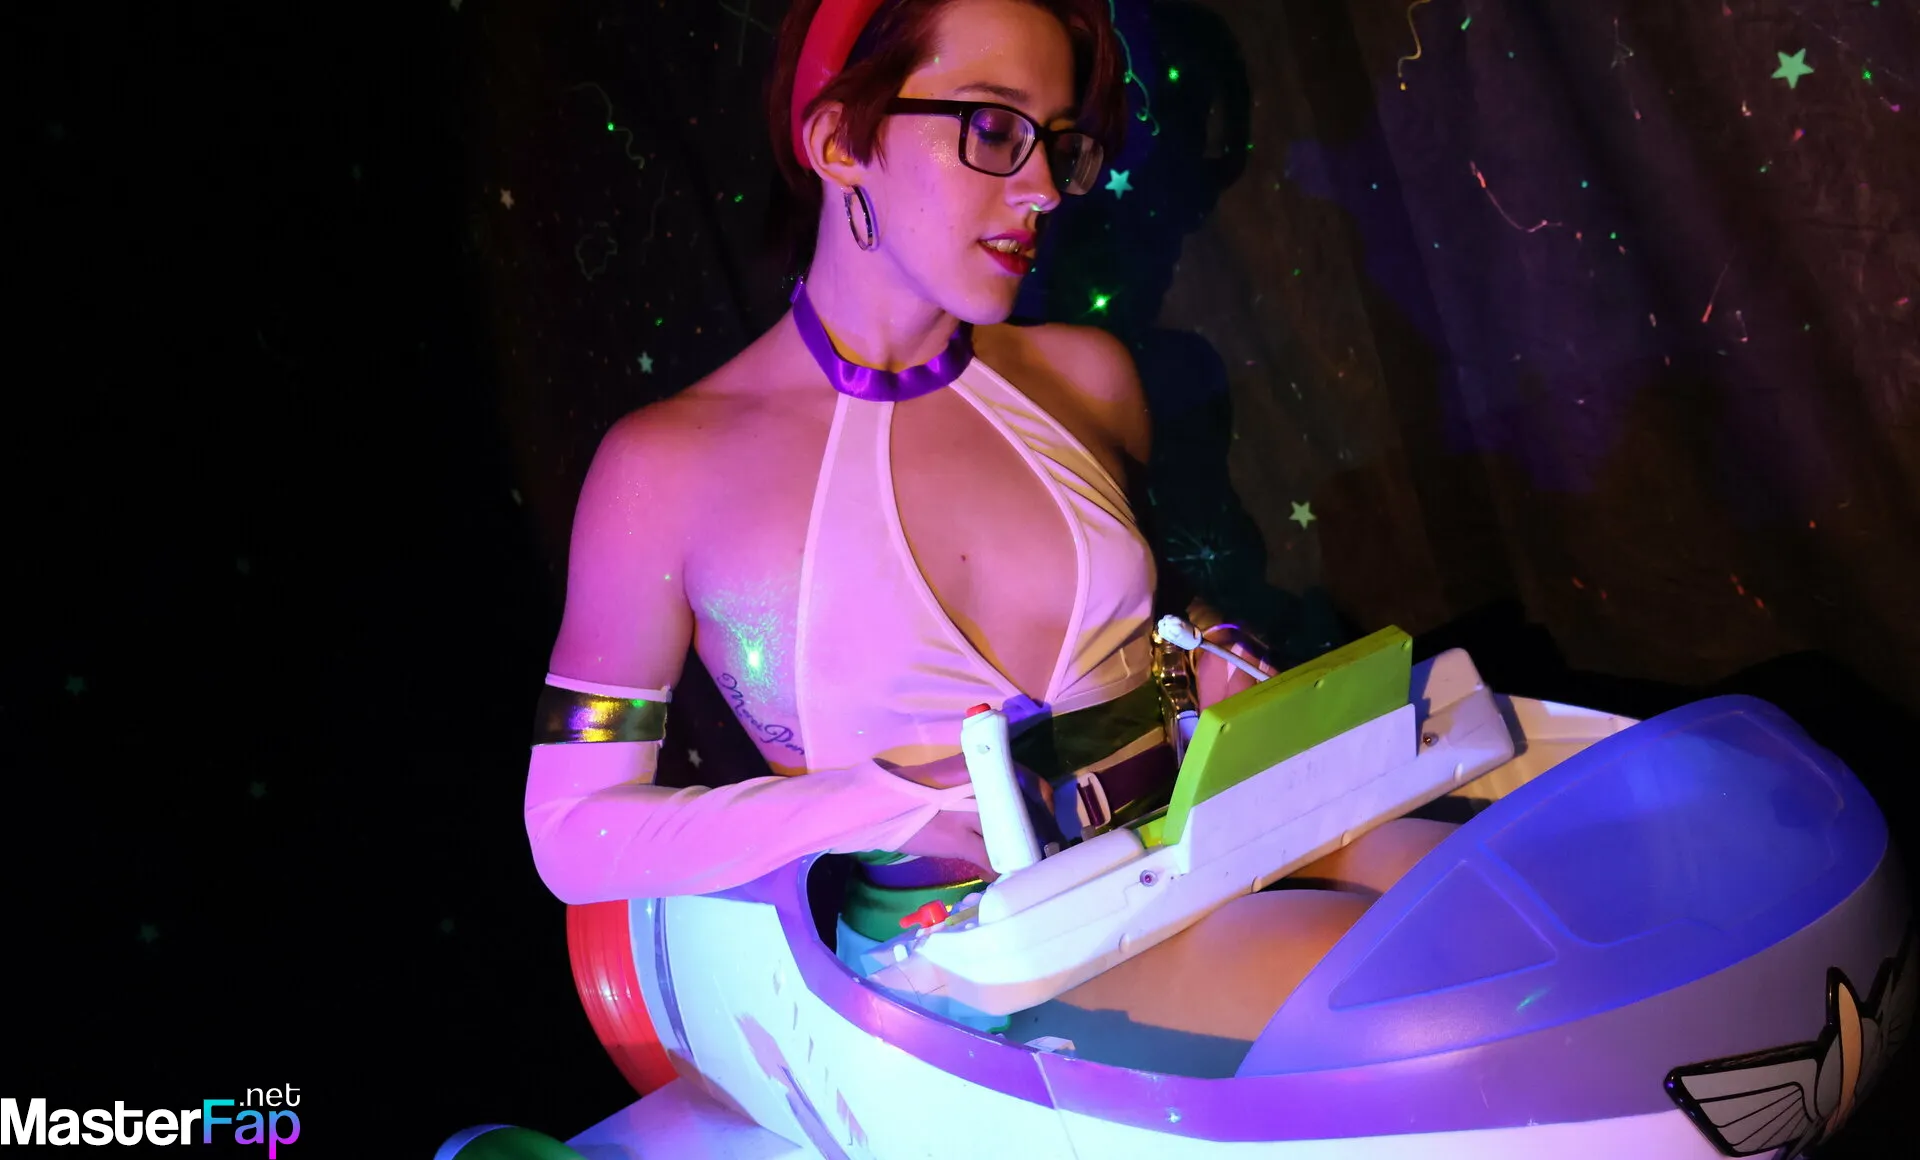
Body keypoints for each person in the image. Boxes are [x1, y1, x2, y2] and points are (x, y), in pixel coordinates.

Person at [524, 0, 1452, 1052]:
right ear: (839, 140)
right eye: (996, 127)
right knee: (1411, 989)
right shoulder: (666, 471)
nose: (1044, 187)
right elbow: (573, 831)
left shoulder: (1085, 378)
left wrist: (1207, 654)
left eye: (1059, 142)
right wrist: (884, 801)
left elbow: (1150, 613)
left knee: (1493, 892)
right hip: (982, 969)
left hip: (1209, 838)